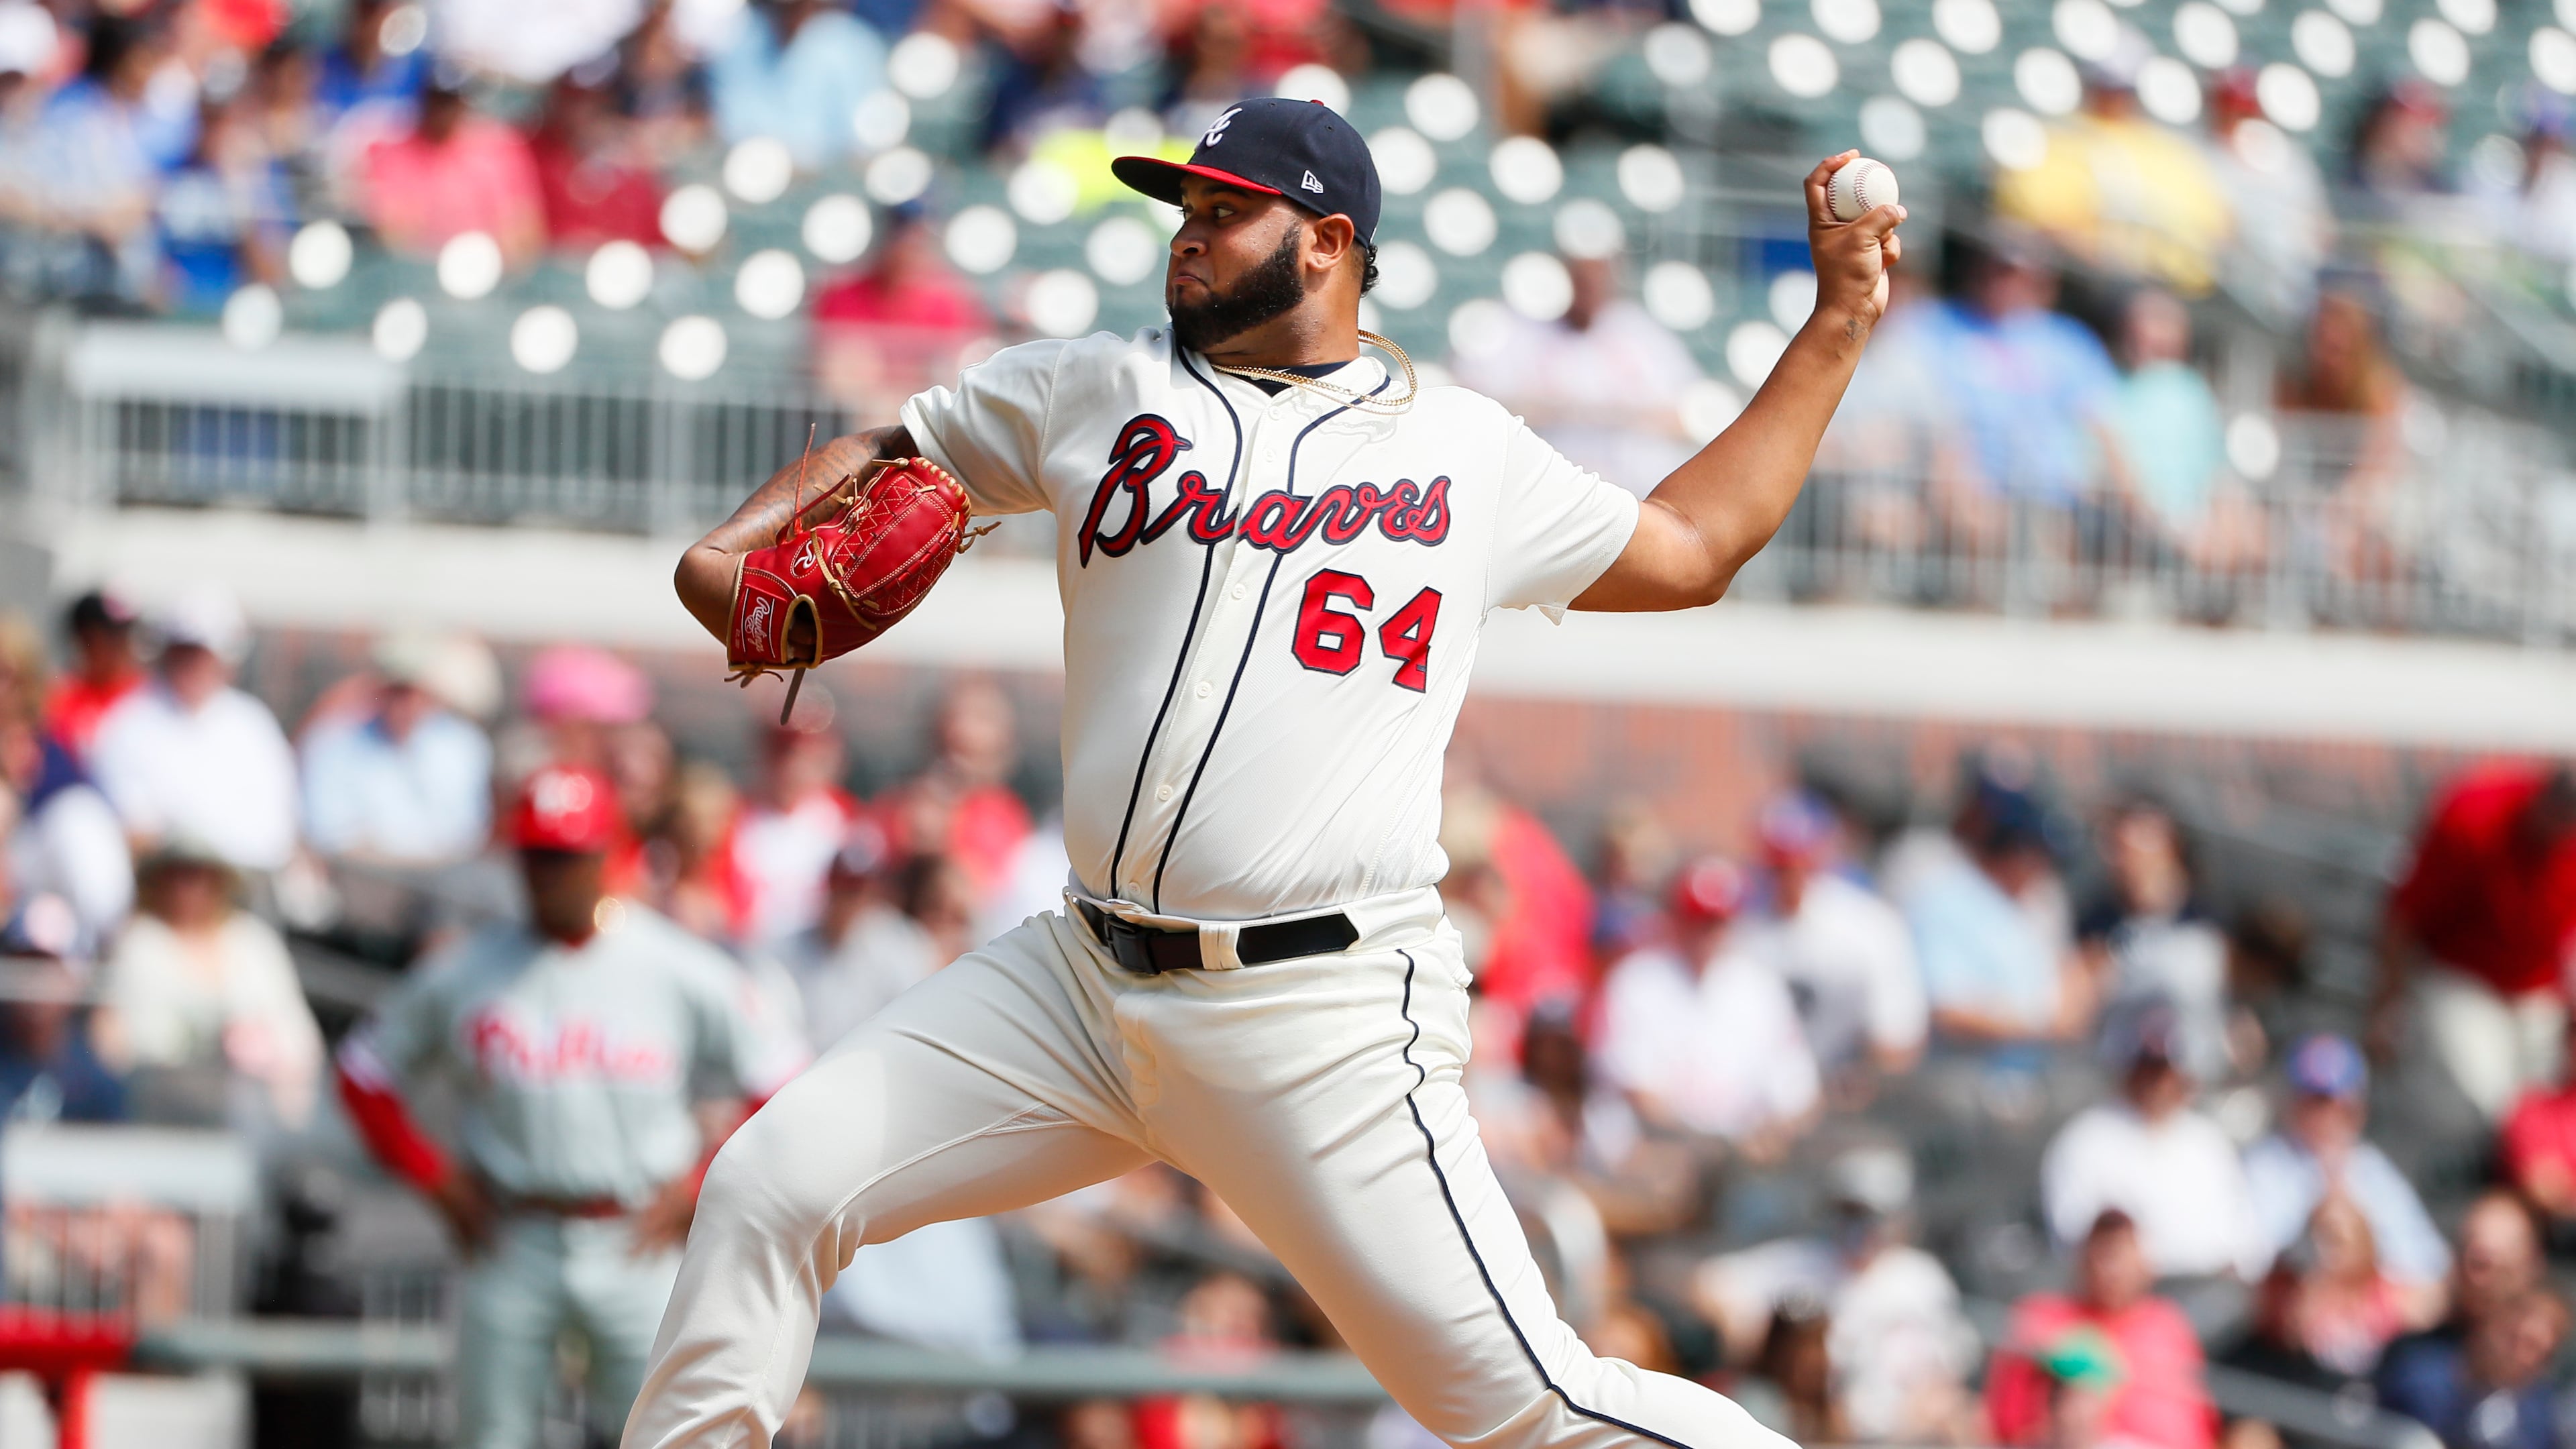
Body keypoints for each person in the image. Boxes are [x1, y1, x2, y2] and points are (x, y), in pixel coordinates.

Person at [633, 99, 1907, 1449]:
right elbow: (901, 452)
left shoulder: (1461, 449)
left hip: (1319, 1015)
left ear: (1328, 245)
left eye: (1225, 213)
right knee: (770, 1185)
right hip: (1080, 986)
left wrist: (1834, 328)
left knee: (1531, 1407)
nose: (1188, 240)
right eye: (1183, 213)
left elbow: (1696, 543)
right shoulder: (1094, 386)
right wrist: (726, 553)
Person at [335, 764, 784, 1449]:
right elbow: (364, 1073)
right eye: (539, 856)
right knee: (492, 1438)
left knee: (680, 1439)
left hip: (637, 1236)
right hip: (513, 1231)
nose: (551, 874)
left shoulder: (674, 964)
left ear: (607, 854)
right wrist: (434, 1178)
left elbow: (781, 1076)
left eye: (568, 856)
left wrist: (702, 1186)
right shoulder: (470, 967)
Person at [1693, 1146, 1978, 1444]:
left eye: (1871, 1216)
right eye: (1849, 1213)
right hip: (1813, 1431)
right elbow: (1709, 1282)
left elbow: (1951, 1369)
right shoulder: (1802, 1263)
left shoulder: (1919, 1277)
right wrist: (1753, 1334)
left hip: (1901, 1433)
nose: (1860, 1228)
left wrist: (1932, 1404)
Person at [2372, 761, 2576, 1120]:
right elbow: (2405, 916)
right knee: (2486, 1099)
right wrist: (2386, 1005)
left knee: (2542, 1110)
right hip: (2462, 977)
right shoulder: (2476, 815)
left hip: (2541, 989)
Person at [1445, 241, 1708, 499]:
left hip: (1631, 494)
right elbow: (1466, 401)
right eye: (1581, 279)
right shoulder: (1513, 325)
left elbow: (1689, 416)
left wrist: (1612, 415)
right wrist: (1559, 411)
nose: (1590, 289)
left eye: (1598, 278)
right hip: (1536, 493)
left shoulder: (1639, 331)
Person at [92, 843, 325, 1130]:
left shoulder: (254, 941)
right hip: (164, 1115)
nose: (189, 886)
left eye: (200, 875)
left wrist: (264, 1054)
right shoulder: (140, 943)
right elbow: (126, 1043)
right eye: (178, 874)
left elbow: (299, 1035)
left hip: (259, 1119)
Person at [1595, 856, 1819, 1153]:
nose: (1707, 935)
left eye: (1717, 922)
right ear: (1675, 919)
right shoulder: (1637, 981)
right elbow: (1637, 1093)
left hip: (1741, 1156)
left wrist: (1774, 1134)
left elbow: (1798, 1093)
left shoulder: (1758, 987)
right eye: (1697, 921)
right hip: (1657, 1149)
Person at [89, 588, 299, 874]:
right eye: (185, 650)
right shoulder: (128, 723)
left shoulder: (254, 724)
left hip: (246, 885)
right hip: (165, 887)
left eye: (205, 652)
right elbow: (137, 833)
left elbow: (277, 833)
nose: (195, 663)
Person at [2040, 1008, 2260, 1280]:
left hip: (2215, 1290)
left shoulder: (2207, 1140)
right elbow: (2072, 1240)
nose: (2159, 1081)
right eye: (2149, 1066)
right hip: (2132, 1300)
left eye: (2168, 1067)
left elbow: (2244, 1233)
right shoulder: (2085, 1140)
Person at [1886, 753, 2087, 1047]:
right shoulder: (1942, 891)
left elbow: (2069, 979)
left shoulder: (2041, 902)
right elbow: (1947, 1009)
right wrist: (2040, 1026)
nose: (2039, 870)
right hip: (1962, 1074)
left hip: (2034, 1073)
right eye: (2032, 856)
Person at [1735, 790, 1923, 1083]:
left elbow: (1897, 1041)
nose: (1789, 877)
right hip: (1760, 1094)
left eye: (1799, 864)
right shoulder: (1742, 929)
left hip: (1848, 1091)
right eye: (1778, 867)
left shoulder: (1868, 925)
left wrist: (1861, 1080)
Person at [1988, 1210, 2218, 1449]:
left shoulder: (2169, 1323)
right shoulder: (2043, 1319)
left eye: (2121, 1255)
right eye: (2104, 1255)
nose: (2112, 1270)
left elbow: (2204, 1420)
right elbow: (2007, 1421)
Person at [2241, 1034, 2449, 1297]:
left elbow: (2428, 1263)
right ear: (2293, 1101)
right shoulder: (2264, 1164)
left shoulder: (2372, 1168)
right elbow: (2255, 1263)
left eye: (2344, 1103)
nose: (2332, 1114)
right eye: (2319, 1100)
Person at [299, 631, 495, 867]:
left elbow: (467, 834)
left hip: (445, 885)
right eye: (396, 690)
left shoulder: (464, 747)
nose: (405, 704)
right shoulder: (334, 745)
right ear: (376, 689)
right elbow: (330, 837)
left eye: (414, 692)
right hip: (366, 883)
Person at [2078, 796, 2231, 1083]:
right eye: (2117, 848)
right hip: (2121, 1081)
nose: (2124, 860)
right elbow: (2081, 1002)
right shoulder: (2098, 922)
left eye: (2134, 847)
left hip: (2195, 1080)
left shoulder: (2208, 920)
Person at [358, 64, 545, 268]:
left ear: (464, 104)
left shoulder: (500, 148)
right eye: (437, 100)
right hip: (420, 273)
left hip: (489, 274)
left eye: (450, 101)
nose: (442, 110)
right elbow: (392, 234)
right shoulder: (393, 150)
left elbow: (523, 229)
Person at [706, 0, 886, 170]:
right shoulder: (740, 40)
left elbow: (866, 148)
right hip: (753, 183)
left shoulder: (850, 45)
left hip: (831, 189)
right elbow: (730, 129)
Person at [2378, 1290, 2569, 1449]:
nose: (2522, 1357)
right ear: (2489, 1326)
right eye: (2515, 1339)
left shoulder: (2539, 1419)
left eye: (2538, 1350)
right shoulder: (2419, 1382)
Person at [42, 589, 145, 761]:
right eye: (109, 635)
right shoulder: (58, 699)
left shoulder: (146, 695)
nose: (121, 644)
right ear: (82, 638)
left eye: (124, 633)